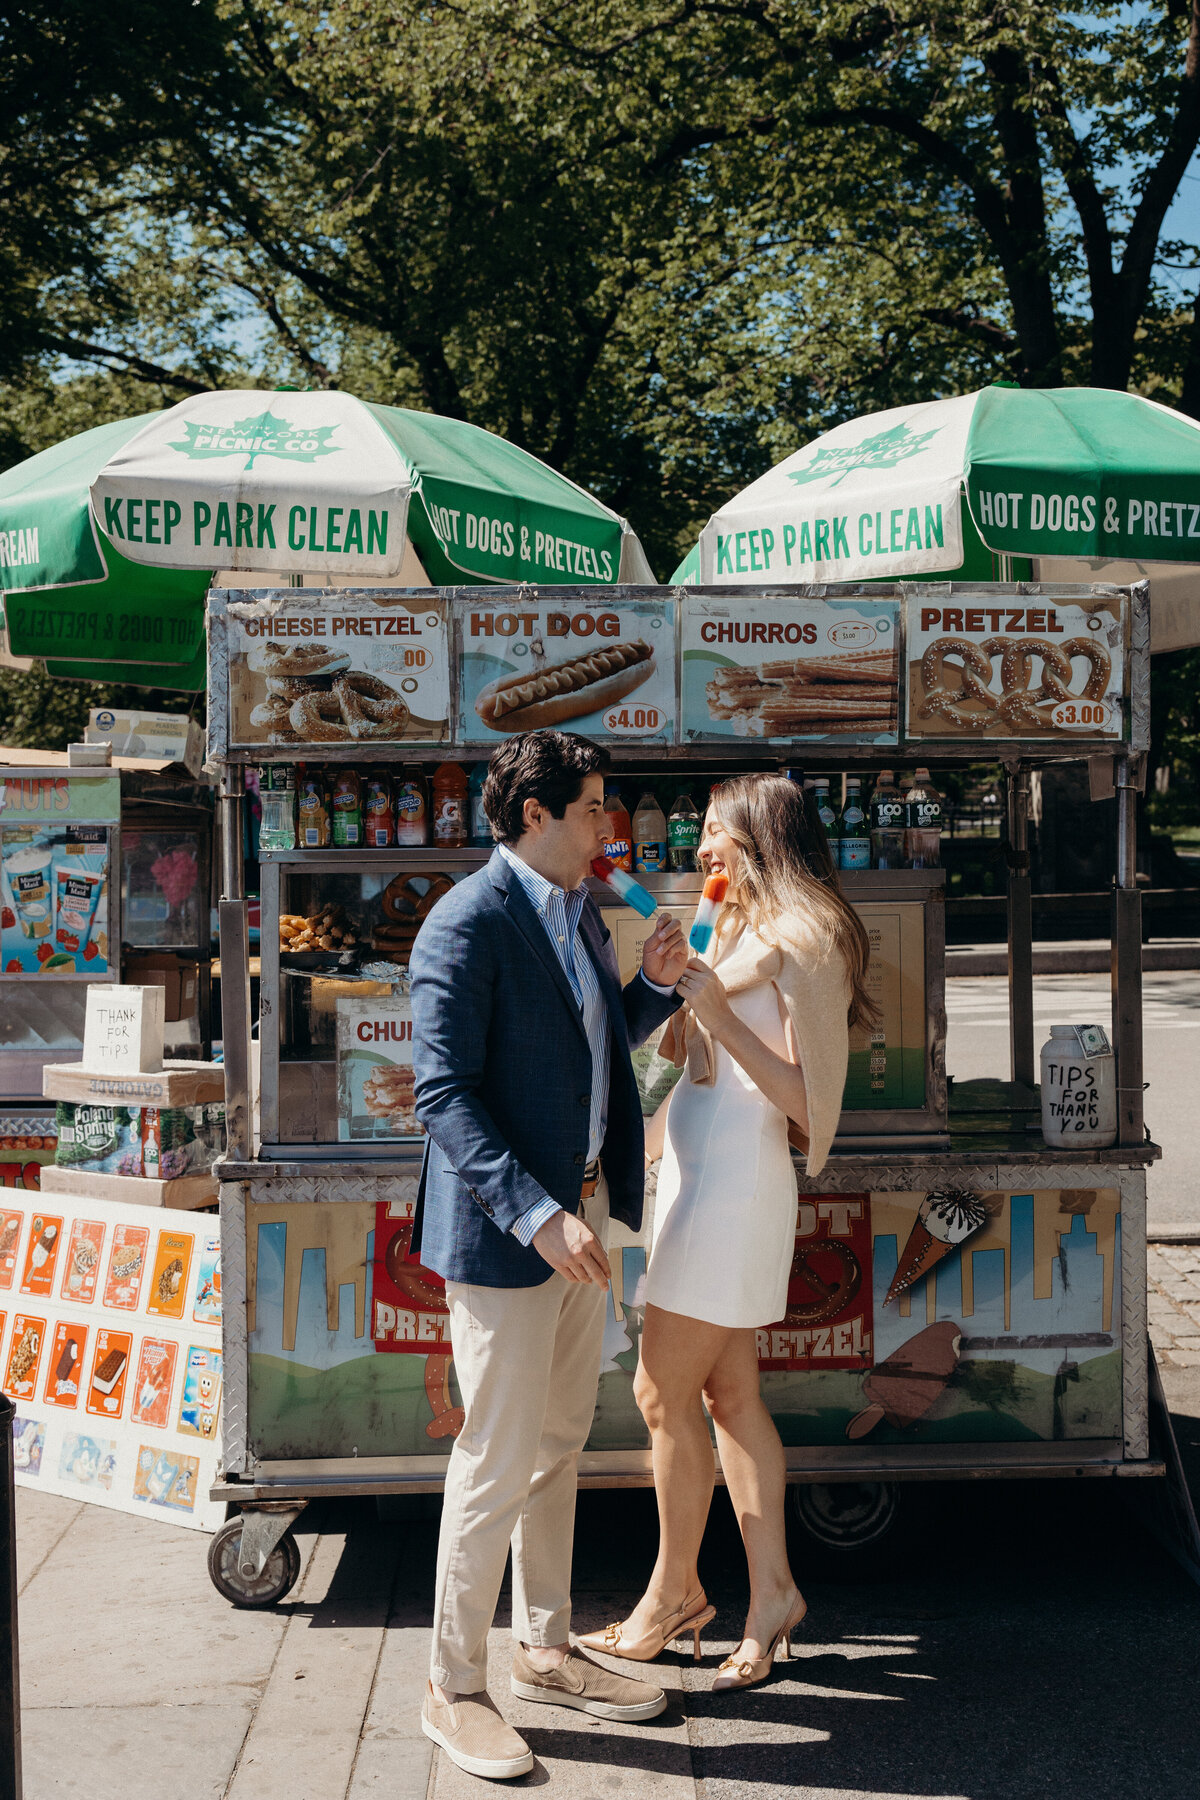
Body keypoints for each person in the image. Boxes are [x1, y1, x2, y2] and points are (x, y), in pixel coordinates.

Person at [409, 729, 688, 1781]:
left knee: (560, 1439)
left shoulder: (575, 912)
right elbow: (445, 1098)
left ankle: (545, 1647)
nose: (606, 827)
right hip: (512, 1237)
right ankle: (451, 1686)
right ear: (534, 815)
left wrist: (650, 995)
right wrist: (538, 1215)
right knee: (493, 1459)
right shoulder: (463, 925)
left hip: (582, 1224)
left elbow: (579, 1052)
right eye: (590, 810)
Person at [579, 773, 876, 1690]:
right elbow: (681, 1051)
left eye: (714, 831)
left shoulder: (806, 937)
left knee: (660, 1390)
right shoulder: (738, 927)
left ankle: (675, 1592)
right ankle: (774, 1592)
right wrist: (677, 986)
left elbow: (801, 1104)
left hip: (739, 1188)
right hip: (696, 1181)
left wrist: (711, 1013)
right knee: (728, 1399)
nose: (701, 848)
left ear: (758, 836)